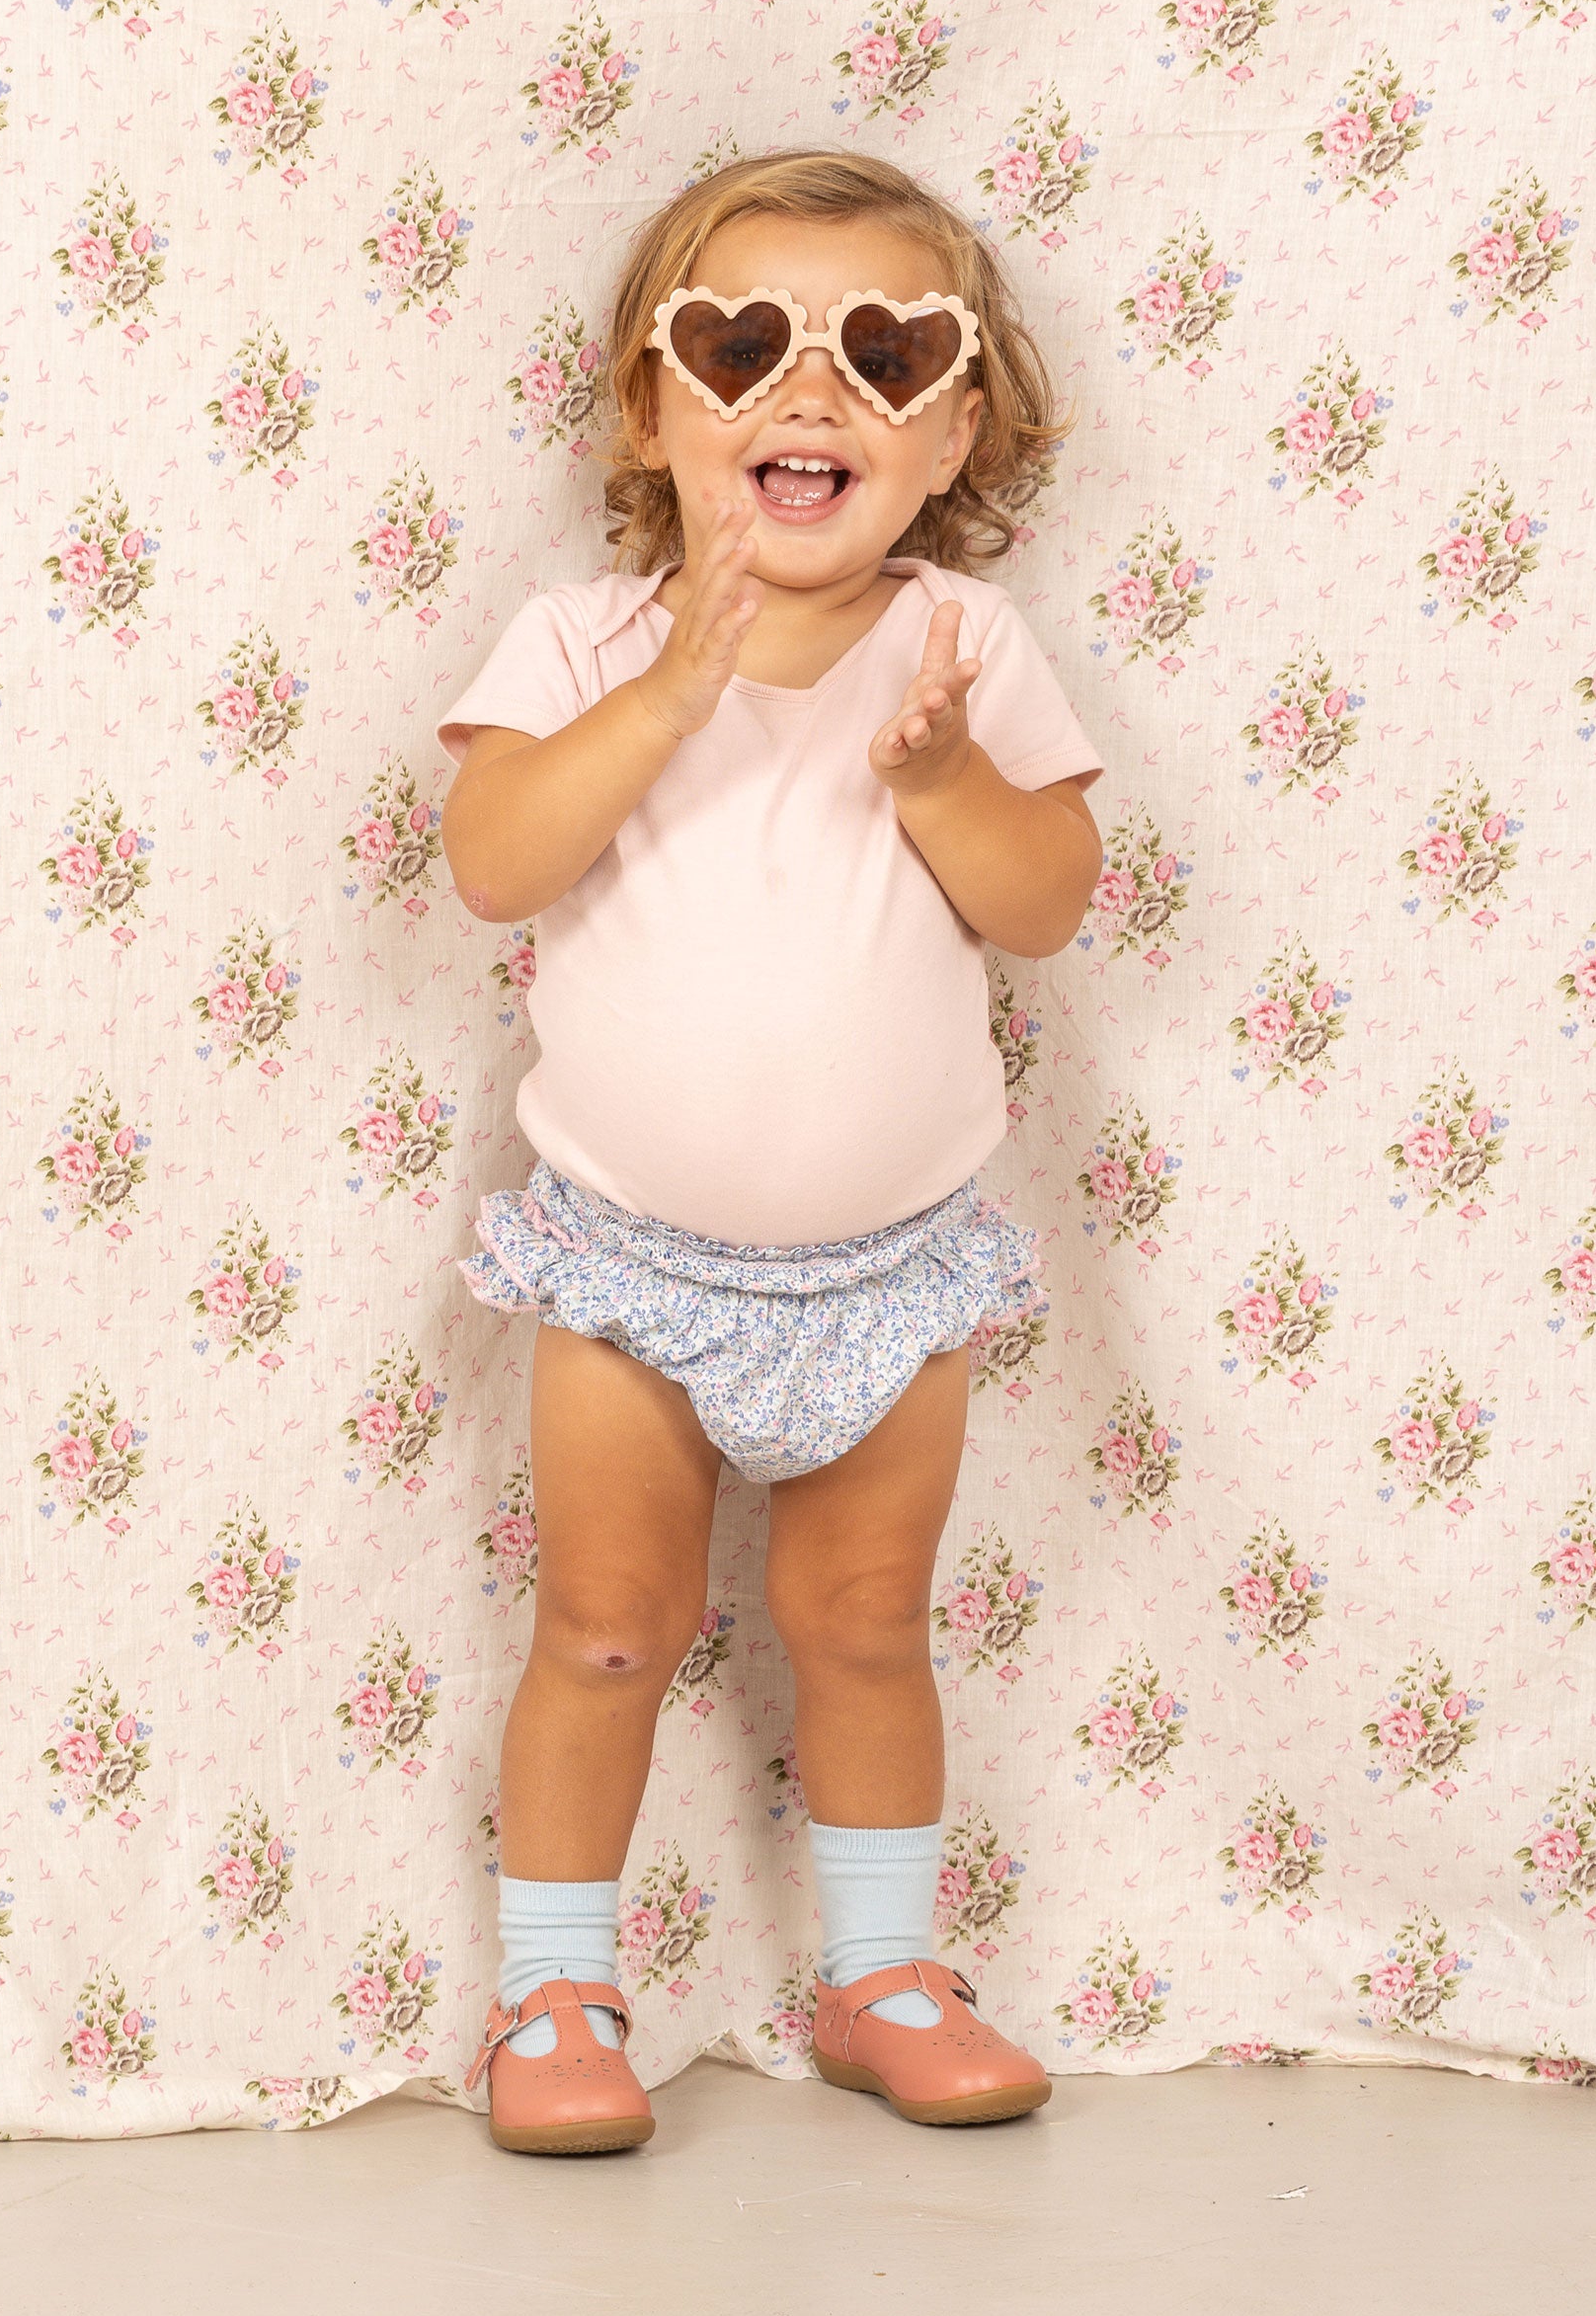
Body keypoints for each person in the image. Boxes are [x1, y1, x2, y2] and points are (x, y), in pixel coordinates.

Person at [436, 146, 1105, 2154]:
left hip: (889, 1267)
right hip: (630, 1263)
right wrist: (674, 688)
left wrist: (950, 777)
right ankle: (555, 1991)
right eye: (742, 344)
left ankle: (886, 1968)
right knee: (608, 1622)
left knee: (865, 1622)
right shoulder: (578, 640)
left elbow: (1050, 899)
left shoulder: (960, 649)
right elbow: (493, 863)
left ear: (953, 424)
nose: (807, 391)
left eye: (880, 351)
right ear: (656, 406)